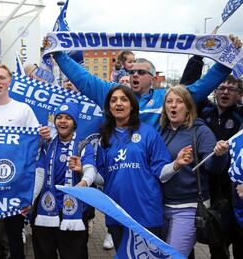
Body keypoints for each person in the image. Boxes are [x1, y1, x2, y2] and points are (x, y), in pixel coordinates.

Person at [48, 35, 242, 130]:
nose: (135, 76)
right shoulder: (114, 94)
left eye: (141, 72)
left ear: (153, 78)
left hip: (153, 173)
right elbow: (85, 80)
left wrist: (226, 59)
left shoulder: (167, 98)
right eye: (132, 72)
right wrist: (57, 53)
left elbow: (203, 86)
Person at [0, 64, 50, 259]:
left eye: (2, 78)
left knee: (15, 240)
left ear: (10, 81)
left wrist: (42, 137)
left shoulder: (23, 109)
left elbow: (33, 147)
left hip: (14, 185)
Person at [95, 85, 191, 250]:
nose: (119, 103)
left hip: (146, 214)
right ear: (109, 108)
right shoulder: (104, 137)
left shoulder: (148, 133)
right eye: (114, 100)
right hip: (117, 215)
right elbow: (103, 178)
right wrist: (84, 170)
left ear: (132, 105)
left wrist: (176, 164)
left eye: (124, 99)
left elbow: (161, 173)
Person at [181, 53, 243, 258]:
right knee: (214, 241)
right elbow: (187, 88)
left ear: (239, 95)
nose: (225, 92)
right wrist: (198, 55)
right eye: (221, 88)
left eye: (231, 89)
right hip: (206, 187)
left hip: (234, 189)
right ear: (214, 92)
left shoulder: (240, 116)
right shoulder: (202, 111)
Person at [159, 85, 230, 257]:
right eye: (169, 101)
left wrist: (219, 154)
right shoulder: (160, 131)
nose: (173, 106)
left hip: (189, 207)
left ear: (189, 107)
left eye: (179, 102)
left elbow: (213, 167)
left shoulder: (200, 131)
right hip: (162, 206)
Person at [31, 101, 96, 259]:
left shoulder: (83, 145)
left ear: (74, 123)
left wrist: (83, 181)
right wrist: (30, 200)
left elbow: (91, 170)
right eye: (59, 117)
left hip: (74, 212)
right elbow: (39, 172)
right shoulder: (47, 144)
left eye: (68, 118)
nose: (62, 121)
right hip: (46, 210)